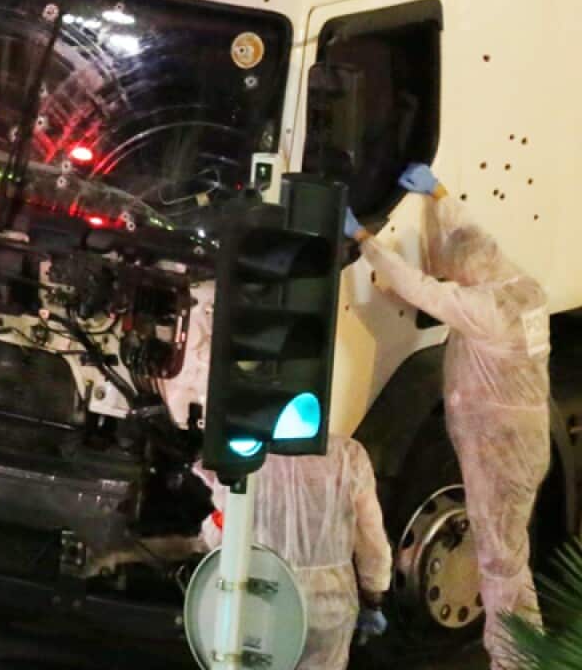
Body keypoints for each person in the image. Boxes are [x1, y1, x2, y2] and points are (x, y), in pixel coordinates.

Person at [346, 163, 551, 669]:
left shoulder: (487, 309)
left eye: (458, 275)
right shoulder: (521, 284)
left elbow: (426, 292)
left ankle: (517, 661)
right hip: (518, 443)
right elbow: (471, 237)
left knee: (502, 562)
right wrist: (439, 195)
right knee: (505, 553)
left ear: (472, 276)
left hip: (500, 449)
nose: (453, 279)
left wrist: (365, 240)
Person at [198, 435, 393, 669]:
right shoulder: (349, 455)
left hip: (261, 602)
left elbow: (223, 536)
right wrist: (374, 598)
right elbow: (371, 539)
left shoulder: (241, 454)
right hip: (329, 606)